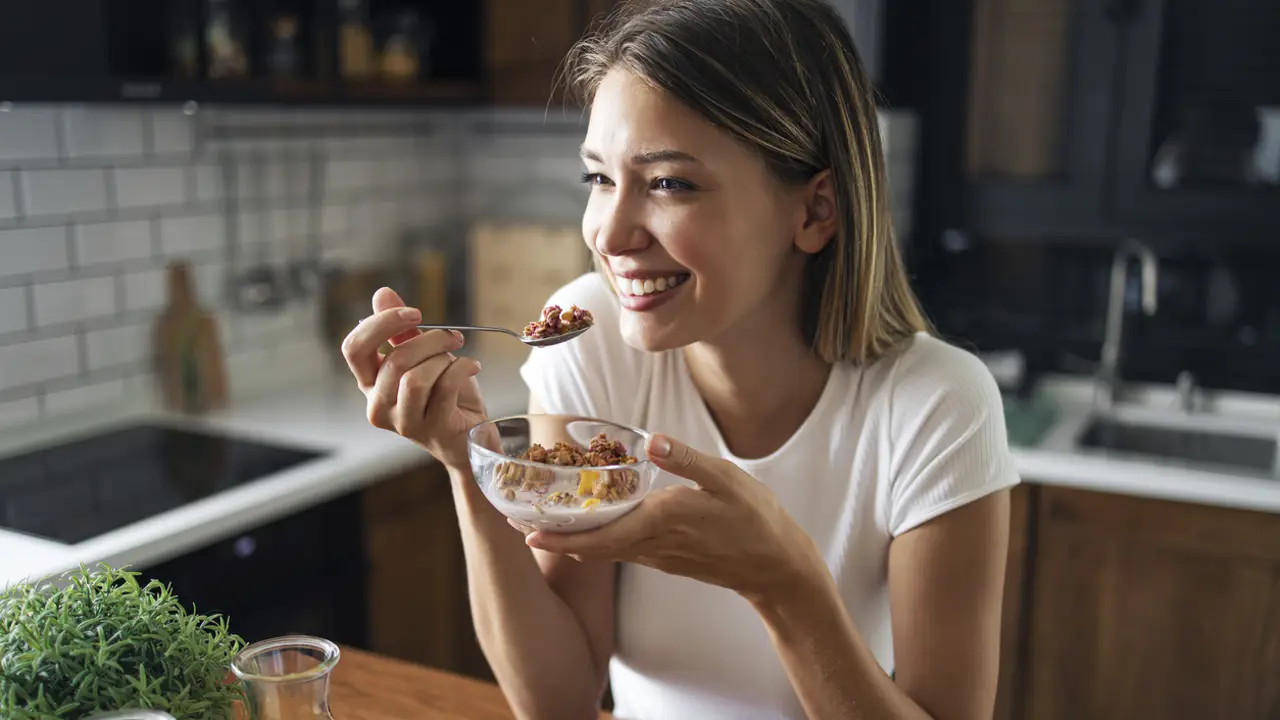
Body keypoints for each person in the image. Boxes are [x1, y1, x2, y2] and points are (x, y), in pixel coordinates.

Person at [340, 0, 1020, 718]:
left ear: (816, 211)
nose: (610, 232)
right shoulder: (591, 341)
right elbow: (560, 700)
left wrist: (782, 584)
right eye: (599, 179)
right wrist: (466, 461)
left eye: (669, 183)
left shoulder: (939, 406)